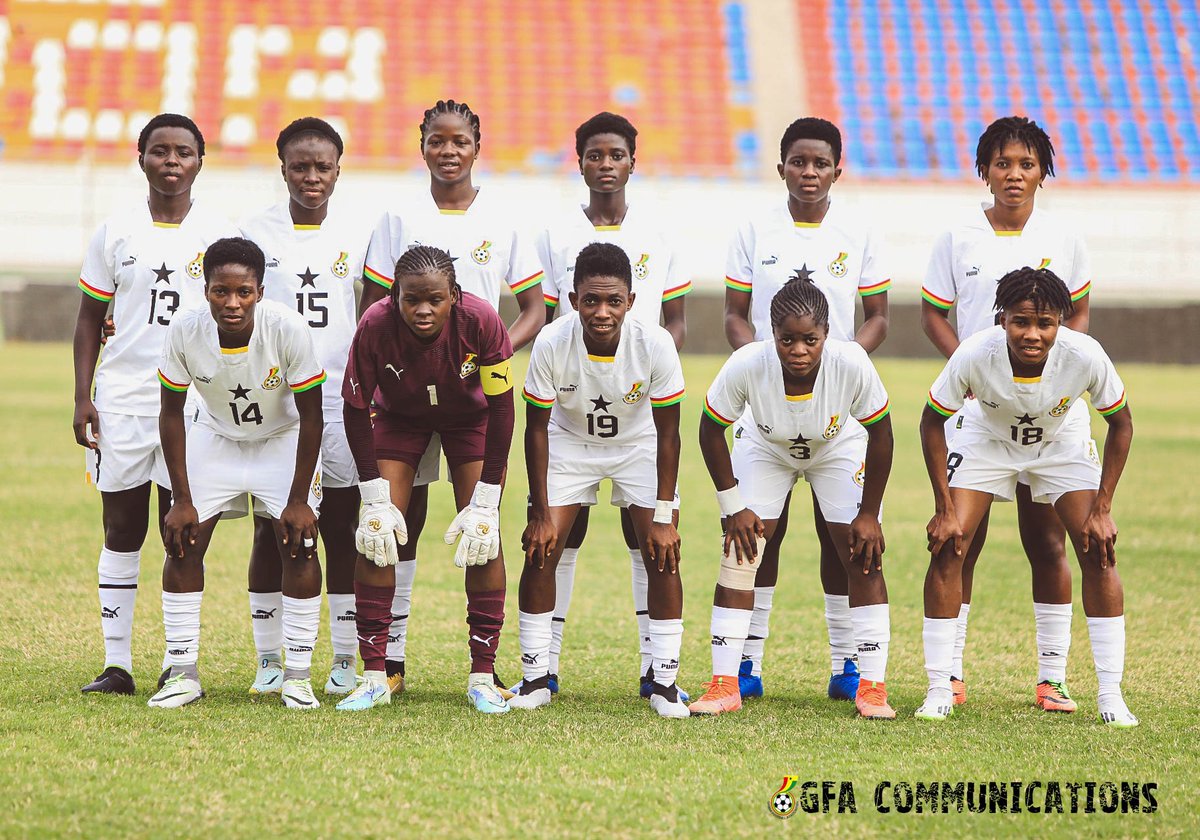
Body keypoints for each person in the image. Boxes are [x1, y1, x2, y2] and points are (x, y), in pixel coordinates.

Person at [357, 100, 543, 696]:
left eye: (459, 140)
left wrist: (482, 355)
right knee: (386, 524)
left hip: (474, 398)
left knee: (481, 528)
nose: (448, 151)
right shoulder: (397, 214)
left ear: (476, 145)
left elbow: (534, 309)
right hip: (405, 396)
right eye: (436, 140)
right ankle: (385, 668)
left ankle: (484, 675)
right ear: (422, 146)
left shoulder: (507, 217)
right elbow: (375, 306)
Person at [920, 116, 1093, 711]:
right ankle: (952, 675)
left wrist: (1054, 382)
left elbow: (1079, 318)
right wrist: (968, 375)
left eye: (1026, 164)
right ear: (983, 171)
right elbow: (934, 314)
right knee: (961, 539)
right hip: (977, 409)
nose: (1013, 175)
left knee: (1047, 542)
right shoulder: (957, 235)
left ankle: (1052, 677)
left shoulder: (1065, 238)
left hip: (1047, 415)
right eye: (1002, 164)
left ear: (1043, 171)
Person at [917, 267, 1136, 728]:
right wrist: (942, 508)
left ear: (1061, 322)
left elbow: (1122, 424)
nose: (1032, 334)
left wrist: (1102, 509)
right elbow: (930, 421)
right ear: (1003, 320)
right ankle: (941, 685)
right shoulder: (976, 353)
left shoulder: (1085, 355)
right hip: (986, 438)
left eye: (1045, 324)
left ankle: (1104, 693)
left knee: (1096, 550)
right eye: (1020, 322)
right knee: (950, 546)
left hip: (1059, 443)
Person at [722, 117, 890, 701]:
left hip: (837, 408)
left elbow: (879, 318)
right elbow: (734, 316)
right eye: (798, 161)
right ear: (781, 167)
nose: (809, 172)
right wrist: (763, 367)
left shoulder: (860, 231)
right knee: (760, 533)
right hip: (768, 405)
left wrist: (839, 366)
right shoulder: (754, 228)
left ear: (837, 170)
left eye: (820, 163)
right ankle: (746, 663)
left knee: (837, 534)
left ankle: (849, 665)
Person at [72, 113, 237, 695]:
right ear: (140, 157)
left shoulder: (218, 236)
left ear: (200, 160)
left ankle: (179, 662)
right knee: (121, 530)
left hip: (193, 407)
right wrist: (82, 397)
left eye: (184, 152)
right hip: (121, 402)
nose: (172, 162)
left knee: (183, 531)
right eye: (160, 151)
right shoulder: (114, 231)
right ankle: (117, 665)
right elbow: (90, 319)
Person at [530, 112, 690, 698]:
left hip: (638, 409)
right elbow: (552, 320)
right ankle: (540, 668)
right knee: (559, 536)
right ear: (580, 162)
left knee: (645, 536)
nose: (605, 164)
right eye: (594, 154)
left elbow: (675, 322)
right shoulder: (555, 233)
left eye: (615, 154)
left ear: (631, 160)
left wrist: (636, 376)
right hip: (574, 404)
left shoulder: (660, 233)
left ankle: (659, 674)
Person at [689, 276, 895, 719]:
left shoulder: (852, 361)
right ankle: (725, 682)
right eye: (787, 339)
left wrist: (870, 513)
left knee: (862, 553)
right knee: (741, 553)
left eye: (810, 340)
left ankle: (872, 687)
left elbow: (882, 432)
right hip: (766, 447)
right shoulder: (747, 363)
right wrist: (734, 507)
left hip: (836, 446)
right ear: (771, 333)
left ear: (826, 334)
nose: (798, 350)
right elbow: (710, 428)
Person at [335, 246, 516, 714]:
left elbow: (502, 408)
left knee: (483, 536)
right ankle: (375, 674)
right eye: (411, 299)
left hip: (470, 420)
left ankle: (482, 675)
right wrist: (373, 495)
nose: (423, 310)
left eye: (434, 299)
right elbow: (355, 410)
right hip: (400, 419)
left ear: (454, 295)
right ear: (395, 296)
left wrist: (487, 498)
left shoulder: (482, 320)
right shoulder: (374, 324)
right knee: (375, 534)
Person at [148, 237, 326, 709]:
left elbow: (312, 416)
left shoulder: (287, 329)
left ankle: (297, 676)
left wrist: (299, 498)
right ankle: (182, 672)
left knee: (300, 543)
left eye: (243, 292)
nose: (232, 303)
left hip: (282, 439)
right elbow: (170, 414)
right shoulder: (184, 330)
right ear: (205, 289)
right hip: (217, 438)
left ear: (260, 291)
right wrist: (180, 498)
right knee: (183, 540)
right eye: (220, 291)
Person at [514, 243, 689, 718]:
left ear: (631, 300)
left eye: (614, 301)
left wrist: (663, 514)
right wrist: (539, 511)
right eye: (591, 300)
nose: (602, 311)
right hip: (570, 442)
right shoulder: (552, 341)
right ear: (573, 300)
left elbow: (670, 435)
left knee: (662, 550)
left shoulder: (654, 344)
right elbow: (534, 428)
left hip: (639, 446)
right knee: (541, 548)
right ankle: (535, 676)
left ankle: (664, 682)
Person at [238, 117, 369, 698]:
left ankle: (344, 656)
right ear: (282, 167)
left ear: (339, 170)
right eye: (300, 166)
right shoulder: (254, 233)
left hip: (341, 399)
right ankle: (270, 660)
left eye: (323, 167)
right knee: (272, 529)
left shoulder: (362, 231)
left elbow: (377, 315)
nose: (311, 176)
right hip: (275, 403)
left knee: (340, 528)